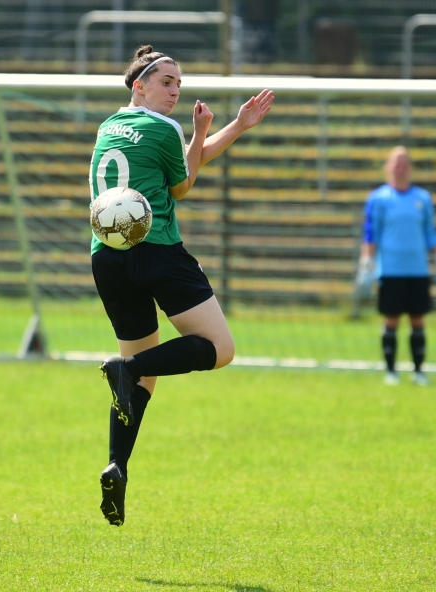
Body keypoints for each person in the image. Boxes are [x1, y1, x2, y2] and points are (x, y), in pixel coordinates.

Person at [89, 45, 275, 526]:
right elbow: (184, 185)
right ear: (139, 85)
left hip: (108, 257)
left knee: (145, 374)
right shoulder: (165, 128)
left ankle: (117, 465)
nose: (174, 90)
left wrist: (230, 127)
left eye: (178, 83)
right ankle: (122, 369)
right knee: (219, 348)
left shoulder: (109, 126)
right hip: (157, 249)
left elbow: (175, 170)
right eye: (166, 81)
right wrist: (204, 132)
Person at [356, 146, 436, 386]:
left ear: (410, 168)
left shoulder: (423, 198)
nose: (400, 167)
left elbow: (430, 232)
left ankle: (418, 372)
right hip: (390, 270)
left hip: (418, 270)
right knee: (391, 320)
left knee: (418, 320)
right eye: (395, 162)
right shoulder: (378, 199)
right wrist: (366, 264)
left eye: (404, 162)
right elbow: (371, 234)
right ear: (388, 167)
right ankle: (391, 372)